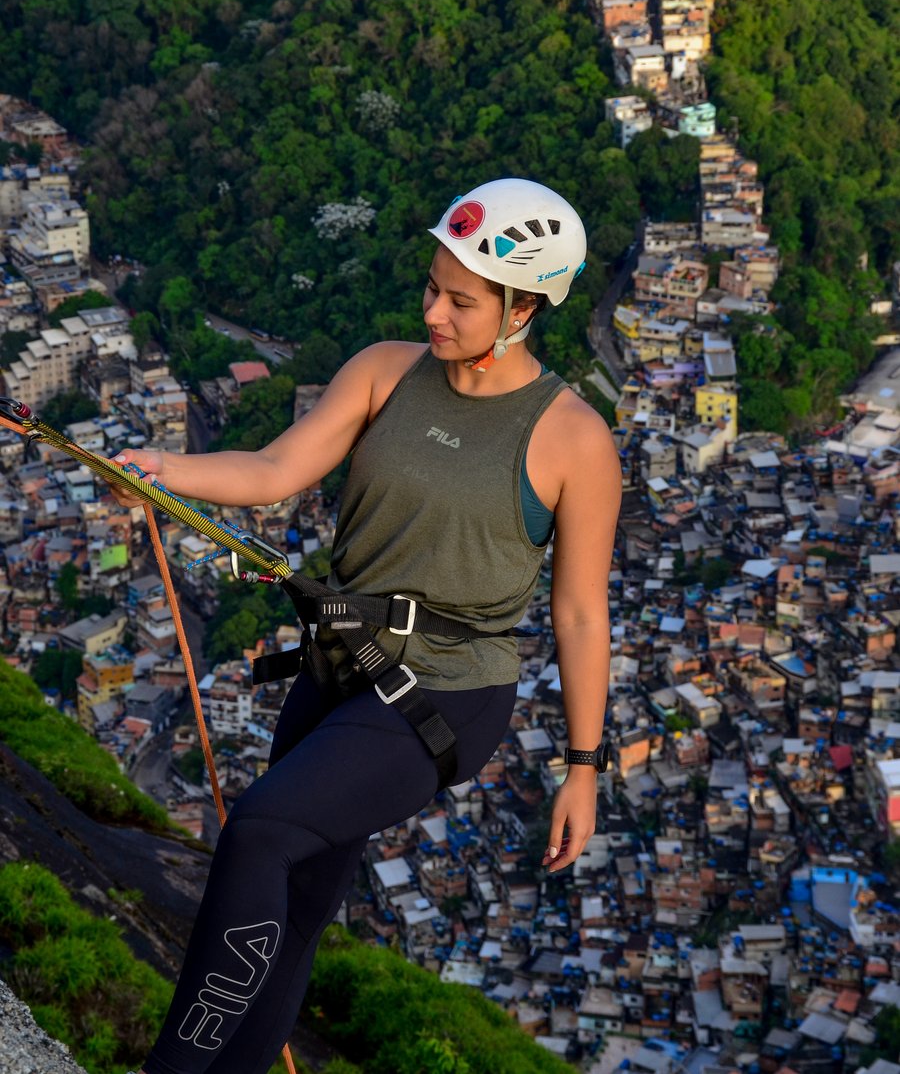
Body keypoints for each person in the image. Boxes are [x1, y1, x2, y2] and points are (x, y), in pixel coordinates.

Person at [114, 178, 620, 1074]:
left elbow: (580, 611)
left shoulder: (573, 440)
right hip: (342, 664)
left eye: (462, 300)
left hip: (450, 693)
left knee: (262, 830)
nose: (433, 312)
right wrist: (162, 468)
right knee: (299, 900)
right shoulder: (386, 370)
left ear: (527, 305)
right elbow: (278, 468)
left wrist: (583, 769)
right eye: (432, 286)